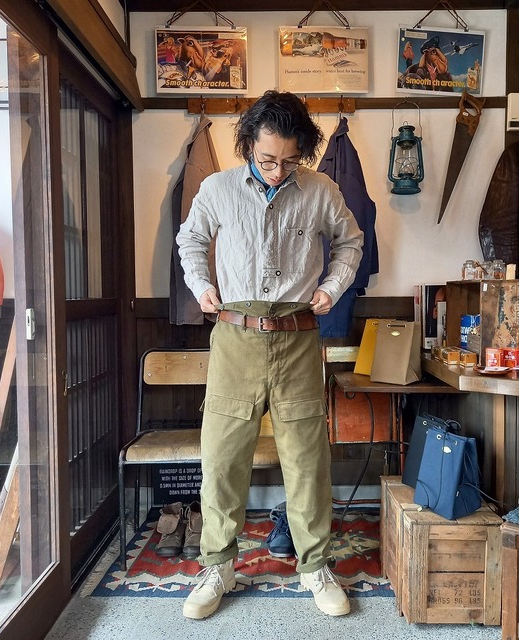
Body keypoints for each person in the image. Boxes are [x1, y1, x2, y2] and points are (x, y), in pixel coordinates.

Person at [176, 90, 364, 620]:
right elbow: (190, 240)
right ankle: (218, 566)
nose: (278, 170)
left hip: (299, 338)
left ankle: (314, 566)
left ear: (303, 150)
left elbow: (351, 242)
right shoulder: (216, 189)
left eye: (289, 160)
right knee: (222, 457)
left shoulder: (322, 190)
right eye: (267, 159)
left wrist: (332, 287)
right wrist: (201, 285)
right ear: (247, 145)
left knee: (306, 458)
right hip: (235, 337)